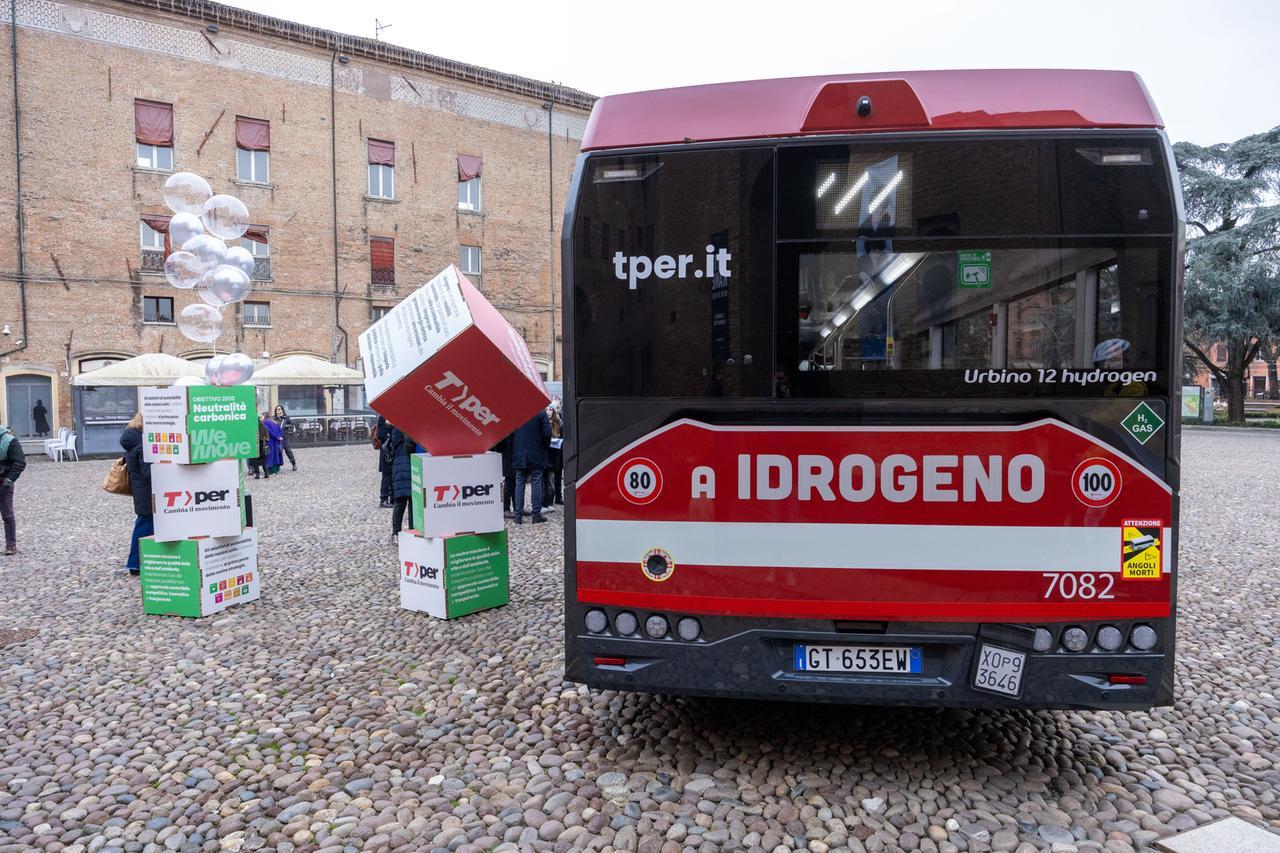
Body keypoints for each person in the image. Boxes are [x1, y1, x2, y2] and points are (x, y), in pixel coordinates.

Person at [119, 414, 151, 574]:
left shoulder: (134, 441)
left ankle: (139, 563)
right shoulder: (142, 445)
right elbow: (148, 474)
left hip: (142, 493)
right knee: (144, 528)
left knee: (144, 527)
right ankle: (135, 564)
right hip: (148, 494)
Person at [512, 409, 551, 525]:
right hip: (537, 452)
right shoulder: (540, 412)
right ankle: (536, 515)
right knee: (536, 482)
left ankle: (518, 516)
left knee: (519, 483)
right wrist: (545, 446)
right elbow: (548, 432)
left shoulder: (516, 412)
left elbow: (509, 433)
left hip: (519, 452)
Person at [0, 423, 25, 555]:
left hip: (3, 482)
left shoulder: (9, 441)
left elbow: (20, 462)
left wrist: (9, 480)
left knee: (7, 515)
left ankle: (11, 545)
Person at [388, 425, 415, 541]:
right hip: (406, 466)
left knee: (404, 502)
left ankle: (398, 533)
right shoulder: (402, 428)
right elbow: (409, 445)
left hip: (401, 467)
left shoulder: (395, 428)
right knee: (407, 502)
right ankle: (407, 532)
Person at [375, 415, 393, 508]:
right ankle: (384, 499)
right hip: (387, 451)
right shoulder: (383, 416)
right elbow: (380, 434)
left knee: (393, 474)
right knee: (387, 475)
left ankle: (393, 498)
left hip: (394, 449)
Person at [273, 405, 297, 471]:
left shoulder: (286, 418)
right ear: (275, 411)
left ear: (282, 410)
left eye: (279, 409)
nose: (278, 410)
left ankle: (294, 464)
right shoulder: (273, 418)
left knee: (288, 450)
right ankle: (277, 466)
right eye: (277, 409)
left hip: (285, 437)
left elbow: (291, 425)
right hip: (277, 437)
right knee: (277, 452)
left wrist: (286, 426)